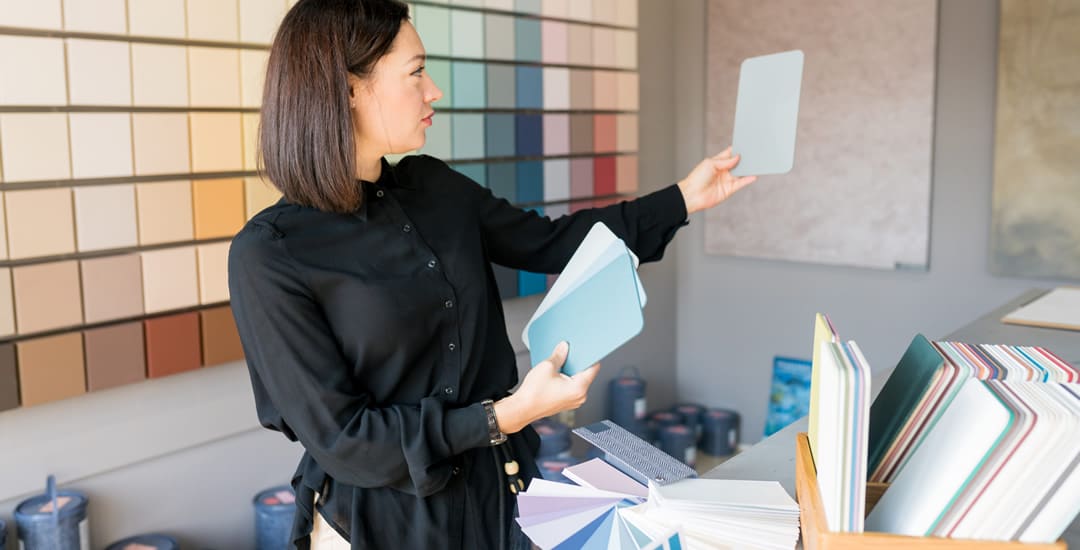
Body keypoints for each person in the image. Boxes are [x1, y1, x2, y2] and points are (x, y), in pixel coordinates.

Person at [227, 0, 756, 548]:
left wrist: (684, 199)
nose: (434, 91)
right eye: (416, 72)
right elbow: (347, 440)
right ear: (349, 89)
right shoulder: (268, 255)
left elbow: (553, 243)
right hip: (379, 525)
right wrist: (507, 414)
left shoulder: (436, 189)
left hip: (494, 497)